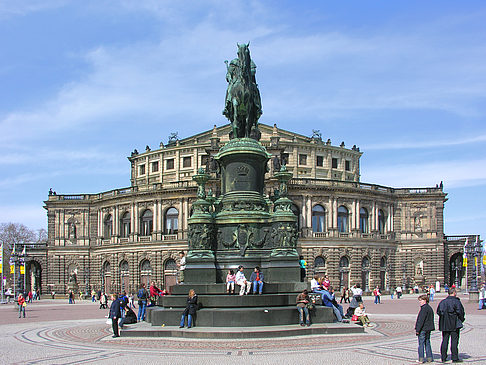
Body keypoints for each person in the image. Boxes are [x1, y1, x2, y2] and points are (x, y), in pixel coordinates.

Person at [437, 287, 465, 363]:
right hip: (454, 324)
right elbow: (460, 312)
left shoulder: (442, 302)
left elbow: (438, 312)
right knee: (454, 341)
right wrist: (461, 319)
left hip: (445, 324)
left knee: (444, 340)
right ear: (454, 293)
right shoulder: (457, 302)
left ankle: (443, 357)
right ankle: (454, 357)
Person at [415, 294, 435, 363]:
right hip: (428, 329)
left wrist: (417, 330)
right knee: (427, 343)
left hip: (423, 329)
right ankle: (429, 358)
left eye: (421, 300)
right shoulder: (429, 308)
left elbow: (421, 320)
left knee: (421, 344)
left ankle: (421, 358)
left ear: (425, 301)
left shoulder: (424, 309)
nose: (420, 302)